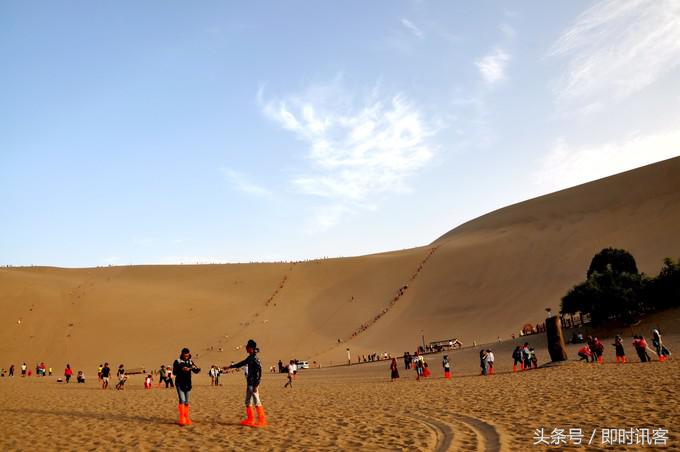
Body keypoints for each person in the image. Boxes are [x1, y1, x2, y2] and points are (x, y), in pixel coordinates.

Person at [228, 339, 266, 427]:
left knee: (257, 401)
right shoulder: (250, 357)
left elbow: (259, 372)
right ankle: (250, 419)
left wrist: (256, 385)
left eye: (247, 347)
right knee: (248, 401)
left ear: (251, 348)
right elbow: (242, 363)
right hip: (249, 383)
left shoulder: (255, 359)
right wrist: (230, 367)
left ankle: (262, 420)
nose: (246, 349)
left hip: (253, 384)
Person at [173, 347, 201, 426]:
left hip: (188, 383)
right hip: (179, 383)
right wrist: (182, 369)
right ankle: (182, 418)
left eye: (187, 355)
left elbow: (196, 370)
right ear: (182, 354)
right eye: (185, 355)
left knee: (187, 401)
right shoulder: (177, 361)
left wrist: (197, 369)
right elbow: (174, 372)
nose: (186, 357)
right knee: (182, 399)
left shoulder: (190, 361)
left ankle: (186, 417)